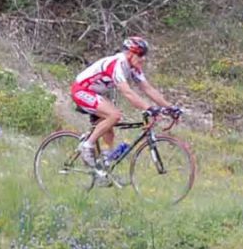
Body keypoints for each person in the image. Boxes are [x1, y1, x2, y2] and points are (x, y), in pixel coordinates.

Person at [69, 36, 178, 176]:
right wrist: (149, 108)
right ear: (130, 54)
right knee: (114, 115)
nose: (143, 59)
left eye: (144, 55)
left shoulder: (133, 67)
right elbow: (127, 93)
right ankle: (87, 145)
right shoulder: (117, 64)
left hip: (96, 93)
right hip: (81, 90)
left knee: (109, 129)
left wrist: (170, 108)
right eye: (140, 54)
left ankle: (103, 168)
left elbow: (148, 89)